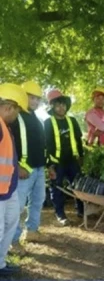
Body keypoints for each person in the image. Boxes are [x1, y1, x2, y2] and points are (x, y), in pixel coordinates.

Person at [10, 82, 46, 246]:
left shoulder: (37, 119)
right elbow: (8, 145)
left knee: (38, 201)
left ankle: (32, 231)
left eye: (38, 99)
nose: (35, 102)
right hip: (23, 170)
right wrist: (17, 166)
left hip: (39, 168)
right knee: (17, 206)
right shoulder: (14, 117)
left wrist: (48, 165)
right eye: (32, 98)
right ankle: (13, 240)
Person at [43, 89, 84, 227]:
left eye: (63, 104)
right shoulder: (48, 123)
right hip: (57, 163)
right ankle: (60, 214)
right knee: (57, 189)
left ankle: (81, 210)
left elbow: (78, 141)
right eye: (58, 105)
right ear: (52, 107)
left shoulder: (72, 121)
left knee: (78, 187)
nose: (61, 107)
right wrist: (49, 165)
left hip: (72, 161)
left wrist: (81, 156)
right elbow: (46, 145)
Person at [0, 84, 26, 275]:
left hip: (8, 189)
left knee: (9, 225)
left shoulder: (5, 127)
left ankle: (0, 264)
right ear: (9, 107)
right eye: (18, 112)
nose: (17, 116)